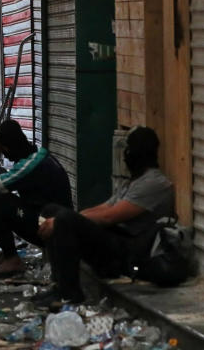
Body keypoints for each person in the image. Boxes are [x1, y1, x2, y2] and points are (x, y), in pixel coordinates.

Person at [36, 126, 175, 305]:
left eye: (129, 149)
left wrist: (65, 220)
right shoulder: (135, 181)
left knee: (63, 219)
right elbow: (104, 207)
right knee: (53, 211)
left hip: (128, 253)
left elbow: (110, 217)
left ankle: (69, 293)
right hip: (115, 243)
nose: (125, 155)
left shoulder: (154, 184)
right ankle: (59, 285)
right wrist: (67, 218)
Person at [0, 119, 73, 277]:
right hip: (51, 221)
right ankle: (9, 258)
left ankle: (12, 259)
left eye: (2, 149)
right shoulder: (37, 155)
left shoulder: (30, 166)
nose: (3, 153)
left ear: (8, 148)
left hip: (52, 230)